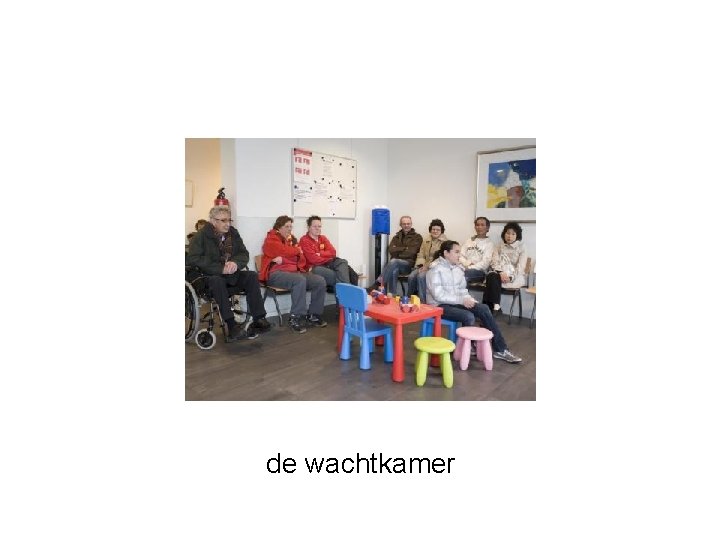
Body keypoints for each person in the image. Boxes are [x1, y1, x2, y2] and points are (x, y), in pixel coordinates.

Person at [426, 240, 522, 363]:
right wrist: (462, 300)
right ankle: (468, 346)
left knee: (483, 308)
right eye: (456, 252)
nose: (459, 255)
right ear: (446, 253)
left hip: (455, 302)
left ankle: (500, 349)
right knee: (468, 315)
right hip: (438, 305)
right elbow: (438, 295)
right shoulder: (435, 269)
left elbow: (463, 290)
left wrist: (471, 300)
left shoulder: (458, 269)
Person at [186, 206, 272, 341]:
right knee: (217, 280)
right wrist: (220, 269)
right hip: (208, 277)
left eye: (229, 220)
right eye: (223, 220)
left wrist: (235, 263)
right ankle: (231, 325)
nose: (227, 224)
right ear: (213, 221)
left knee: (251, 276)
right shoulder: (201, 236)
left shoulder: (233, 233)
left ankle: (259, 318)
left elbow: (243, 253)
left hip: (230, 276)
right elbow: (193, 259)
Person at [259, 215, 328, 334]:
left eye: (291, 226)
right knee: (299, 280)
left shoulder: (293, 240)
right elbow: (282, 251)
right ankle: (296, 317)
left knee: (319, 281)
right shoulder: (271, 239)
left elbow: (301, 258)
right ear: (279, 227)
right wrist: (294, 252)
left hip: (294, 272)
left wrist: (284, 259)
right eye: (287, 226)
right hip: (275, 274)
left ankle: (314, 315)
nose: (289, 229)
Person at [299, 215, 359, 288]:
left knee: (343, 262)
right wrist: (328, 258)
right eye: (315, 226)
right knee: (342, 272)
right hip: (315, 267)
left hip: (328, 264)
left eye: (319, 226)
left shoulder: (323, 238)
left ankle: (345, 290)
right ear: (308, 227)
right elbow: (313, 259)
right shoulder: (304, 240)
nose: (317, 228)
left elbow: (333, 252)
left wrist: (320, 254)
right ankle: (347, 290)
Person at [369, 215, 423, 295]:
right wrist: (405, 248)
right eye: (404, 224)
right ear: (400, 225)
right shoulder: (396, 237)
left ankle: (378, 283)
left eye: (408, 223)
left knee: (394, 261)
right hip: (396, 265)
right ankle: (392, 296)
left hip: (408, 265)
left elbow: (412, 252)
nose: (406, 225)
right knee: (394, 270)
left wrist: (398, 250)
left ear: (411, 224)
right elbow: (391, 250)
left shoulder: (417, 237)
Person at [483, 222, 528, 313]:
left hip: (514, 276)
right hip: (499, 274)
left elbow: (521, 267)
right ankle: (496, 306)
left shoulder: (522, 247)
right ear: (504, 234)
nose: (509, 236)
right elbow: (494, 262)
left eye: (513, 234)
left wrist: (510, 277)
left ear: (517, 236)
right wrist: (501, 273)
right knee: (491, 276)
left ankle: (488, 308)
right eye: (508, 233)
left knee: (491, 280)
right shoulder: (499, 246)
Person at [406, 218, 447, 302]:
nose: (435, 231)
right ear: (430, 230)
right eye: (433, 229)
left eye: (438, 230)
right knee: (411, 276)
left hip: (436, 268)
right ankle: (410, 299)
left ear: (441, 231)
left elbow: (440, 258)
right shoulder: (426, 241)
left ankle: (423, 302)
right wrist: (421, 266)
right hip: (424, 265)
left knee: (421, 276)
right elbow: (421, 254)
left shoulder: (445, 243)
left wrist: (427, 267)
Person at [459, 216, 494, 284]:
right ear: (475, 227)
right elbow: (460, 255)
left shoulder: (489, 244)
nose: (479, 227)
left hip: (479, 272)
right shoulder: (469, 241)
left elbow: (485, 264)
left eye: (482, 225)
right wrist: (467, 264)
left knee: (462, 276)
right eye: (477, 225)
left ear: (487, 228)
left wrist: (469, 267)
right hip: (465, 268)